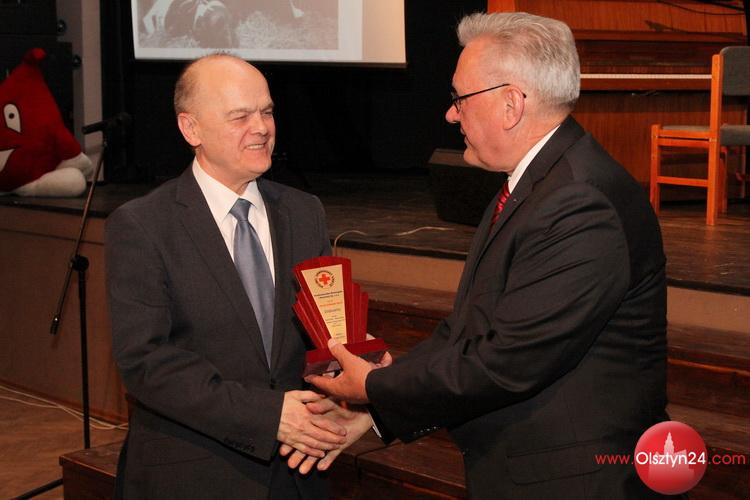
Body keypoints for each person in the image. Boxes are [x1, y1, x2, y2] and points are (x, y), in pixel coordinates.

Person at [308, 12, 674, 499]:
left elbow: (507, 361)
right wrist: (380, 403)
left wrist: (374, 388)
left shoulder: (577, 200)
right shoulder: (539, 182)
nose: (450, 114)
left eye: (460, 98)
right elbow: (471, 330)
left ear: (511, 104)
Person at [105, 53, 368, 499]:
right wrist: (266, 416)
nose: (262, 127)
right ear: (191, 129)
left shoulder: (304, 212)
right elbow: (145, 362)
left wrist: (353, 374)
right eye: (240, 116)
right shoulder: (143, 225)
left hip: (297, 471)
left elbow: (325, 330)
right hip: (194, 474)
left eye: (267, 111)